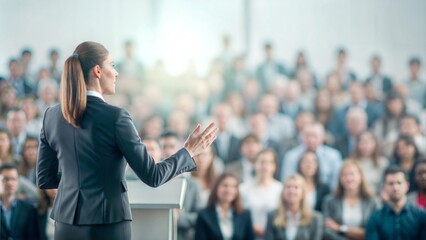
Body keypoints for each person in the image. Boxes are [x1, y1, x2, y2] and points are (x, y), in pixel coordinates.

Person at [36, 41, 218, 240]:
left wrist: (76, 180)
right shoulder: (116, 117)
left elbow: (45, 178)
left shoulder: (51, 116)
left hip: (65, 221)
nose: (116, 73)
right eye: (112, 66)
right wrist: (188, 151)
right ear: (98, 71)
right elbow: (153, 175)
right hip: (108, 222)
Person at [322, 160, 378, 240]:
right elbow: (327, 230)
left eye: (352, 174)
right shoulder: (330, 201)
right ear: (340, 178)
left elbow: (372, 232)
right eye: (344, 175)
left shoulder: (372, 202)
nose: (348, 178)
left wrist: (339, 228)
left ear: (361, 177)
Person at [366, 165, 426, 239]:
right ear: (383, 187)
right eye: (391, 183)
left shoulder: (421, 215)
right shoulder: (375, 218)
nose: (395, 187)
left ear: (407, 185)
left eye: (399, 183)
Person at [195, 173, 255, 240]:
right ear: (216, 188)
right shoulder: (204, 215)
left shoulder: (245, 214)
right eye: (225, 185)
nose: (229, 190)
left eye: (233, 186)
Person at [239, 149, 282, 239]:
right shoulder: (243, 188)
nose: (265, 166)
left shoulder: (281, 189)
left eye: (270, 162)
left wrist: (267, 231)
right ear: (255, 164)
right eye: (262, 162)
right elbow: (239, 215)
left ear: (275, 166)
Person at [264, 174, 323, 240]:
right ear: (282, 192)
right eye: (288, 187)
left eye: (296, 187)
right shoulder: (272, 216)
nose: (291, 191)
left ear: (303, 193)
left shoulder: (316, 218)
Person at [0, 164, 39, 240]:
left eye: (13, 179)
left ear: (18, 182)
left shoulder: (29, 209)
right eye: (5, 179)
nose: (10, 183)